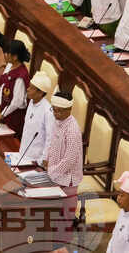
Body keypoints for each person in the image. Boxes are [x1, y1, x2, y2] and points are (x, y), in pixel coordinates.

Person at [44, 92, 83, 231]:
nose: (56, 114)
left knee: (66, 218)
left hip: (67, 179)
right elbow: (52, 142)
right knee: (55, 214)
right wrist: (47, 158)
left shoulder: (72, 130)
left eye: (59, 111)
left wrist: (52, 172)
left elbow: (69, 160)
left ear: (69, 110)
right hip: (55, 174)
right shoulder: (58, 121)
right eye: (54, 110)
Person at [0, 39, 30, 136]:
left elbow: (17, 102)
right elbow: (2, 86)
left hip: (13, 119)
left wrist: (2, 114)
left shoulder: (21, 76)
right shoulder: (9, 66)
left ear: (15, 57)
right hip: (2, 113)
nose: (5, 54)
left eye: (8, 53)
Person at [16, 71, 54, 165]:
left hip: (36, 160)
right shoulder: (31, 102)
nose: (27, 89)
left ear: (40, 93)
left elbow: (50, 138)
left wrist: (43, 159)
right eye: (29, 86)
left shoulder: (48, 111)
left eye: (31, 88)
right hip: (23, 154)